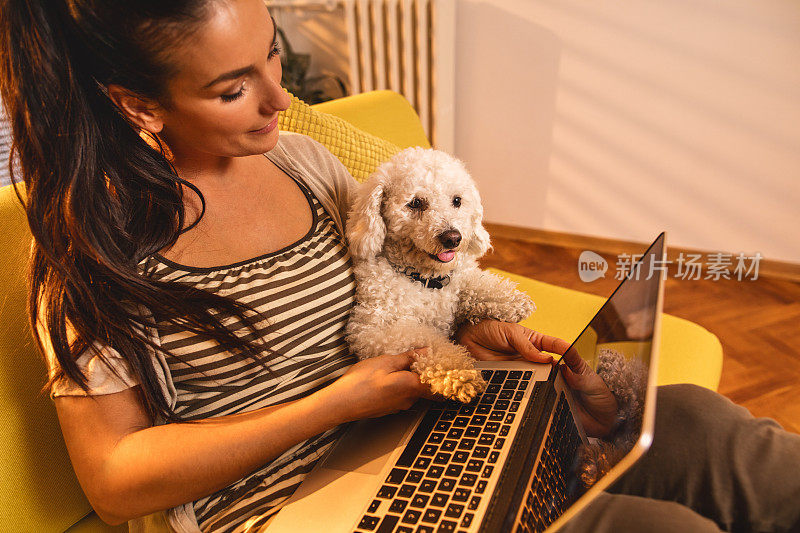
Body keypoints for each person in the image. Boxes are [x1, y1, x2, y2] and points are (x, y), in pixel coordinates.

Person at [1, 1, 798, 532]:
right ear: (139, 104)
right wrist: (333, 406)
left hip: (410, 432)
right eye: (235, 87)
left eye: (272, 52)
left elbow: (414, 277)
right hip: (293, 507)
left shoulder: (306, 164)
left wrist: (479, 328)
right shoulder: (91, 248)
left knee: (691, 419)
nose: (281, 97)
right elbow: (112, 476)